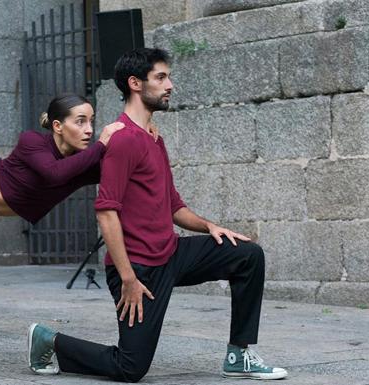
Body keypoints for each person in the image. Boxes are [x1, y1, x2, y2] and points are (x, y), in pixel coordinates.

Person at [0, 1, 163, 383]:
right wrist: (106, 145)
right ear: (58, 126)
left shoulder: (90, 160)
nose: (90, 128)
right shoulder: (32, 143)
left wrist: (145, 135)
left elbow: (127, 172)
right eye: (80, 121)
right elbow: (53, 174)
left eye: (92, 121)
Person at [27, 47, 289, 382]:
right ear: (135, 84)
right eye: (161, 77)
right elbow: (106, 213)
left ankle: (239, 354)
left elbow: (173, 206)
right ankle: (49, 341)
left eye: (168, 77)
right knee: (130, 367)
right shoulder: (123, 139)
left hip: (170, 254)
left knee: (248, 255)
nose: (170, 85)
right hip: (138, 270)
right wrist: (127, 279)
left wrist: (210, 227)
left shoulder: (154, 138)